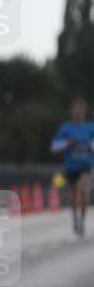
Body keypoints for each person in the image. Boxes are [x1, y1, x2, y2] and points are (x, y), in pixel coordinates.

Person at [50, 98, 94, 236]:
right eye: (75, 111)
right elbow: (54, 147)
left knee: (84, 189)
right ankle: (75, 218)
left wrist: (90, 145)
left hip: (86, 165)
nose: (78, 113)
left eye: (80, 111)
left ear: (84, 112)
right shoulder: (66, 128)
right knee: (75, 193)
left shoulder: (90, 128)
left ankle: (82, 219)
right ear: (72, 113)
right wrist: (67, 143)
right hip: (71, 166)